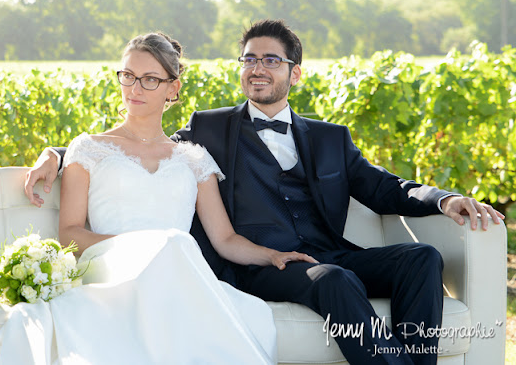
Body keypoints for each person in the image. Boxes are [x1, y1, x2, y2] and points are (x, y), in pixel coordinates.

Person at [25, 20, 505, 365]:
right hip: (259, 264)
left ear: (294, 73)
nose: (258, 67)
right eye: (250, 58)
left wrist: (443, 199)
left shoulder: (330, 138)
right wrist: (57, 154)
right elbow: (134, 148)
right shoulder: (208, 130)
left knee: (421, 260)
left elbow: (384, 187)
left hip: (328, 252)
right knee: (333, 278)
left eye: (271, 59)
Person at [0, 32, 321, 364]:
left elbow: (225, 239)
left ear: (172, 89)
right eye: (128, 76)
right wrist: (143, 247)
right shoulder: (88, 148)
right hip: (112, 266)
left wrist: (273, 255)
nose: (134, 89)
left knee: (175, 247)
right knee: (171, 245)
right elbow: (70, 232)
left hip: (176, 272)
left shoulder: (194, 158)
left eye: (149, 79)